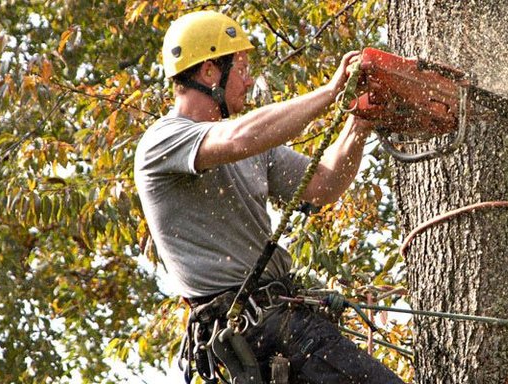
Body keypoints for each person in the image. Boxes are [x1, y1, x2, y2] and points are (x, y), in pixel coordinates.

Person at [134, 10, 403, 384]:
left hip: (281, 319)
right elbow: (238, 138)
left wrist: (358, 123)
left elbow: (323, 183)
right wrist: (330, 92)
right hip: (255, 328)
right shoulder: (163, 141)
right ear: (210, 72)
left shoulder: (253, 147)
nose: (247, 80)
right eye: (241, 68)